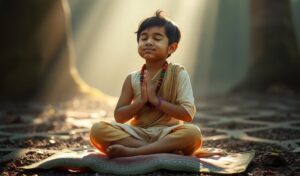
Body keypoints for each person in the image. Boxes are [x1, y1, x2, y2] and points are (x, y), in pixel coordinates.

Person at [90, 10, 203, 158]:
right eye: (143, 38)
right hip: (137, 133)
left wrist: (156, 101)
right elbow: (119, 116)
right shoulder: (132, 78)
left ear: (172, 47)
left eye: (157, 38)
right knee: (97, 129)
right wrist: (140, 102)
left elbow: (188, 115)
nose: (148, 42)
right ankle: (160, 150)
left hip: (168, 132)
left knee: (193, 134)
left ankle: (135, 152)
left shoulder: (179, 74)